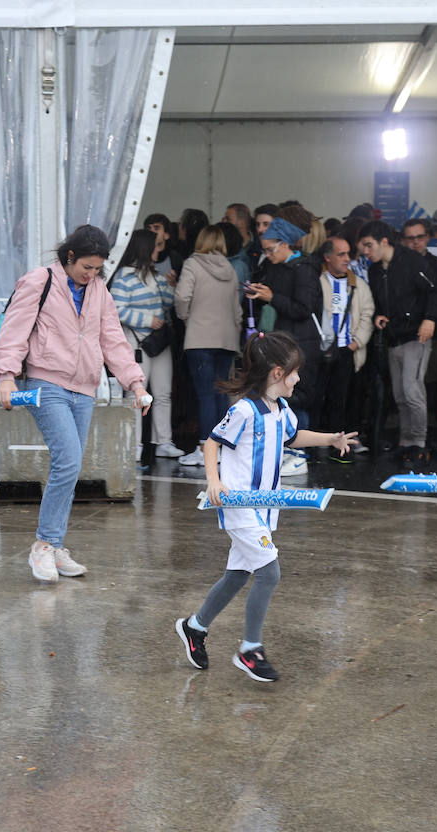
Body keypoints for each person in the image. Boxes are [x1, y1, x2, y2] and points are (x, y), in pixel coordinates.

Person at [174, 331, 358, 682]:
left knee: (239, 575)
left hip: (264, 507)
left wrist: (330, 439)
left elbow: (292, 436)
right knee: (270, 572)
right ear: (277, 373)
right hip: (240, 506)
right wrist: (214, 482)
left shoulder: (281, 408)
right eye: (295, 372)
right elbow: (211, 444)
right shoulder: (244, 410)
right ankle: (250, 650)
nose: (298, 378)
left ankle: (194, 627)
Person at [0, 225, 149, 584]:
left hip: (85, 388)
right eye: (86, 268)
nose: (91, 275)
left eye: (98, 269)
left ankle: (55, 544)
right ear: (70, 256)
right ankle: (44, 546)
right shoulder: (38, 281)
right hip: (46, 382)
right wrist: (6, 375)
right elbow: (13, 329)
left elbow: (113, 339)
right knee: (68, 461)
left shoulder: (99, 292)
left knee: (70, 467)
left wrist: (135, 382)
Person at [360, 221, 437, 463]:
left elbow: (435, 290)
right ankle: (407, 441)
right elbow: (378, 301)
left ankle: (419, 442)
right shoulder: (375, 270)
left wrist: (430, 319)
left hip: (416, 335)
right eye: (363, 247)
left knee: (412, 390)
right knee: (400, 393)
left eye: (369, 245)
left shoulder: (413, 262)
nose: (365, 251)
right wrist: (377, 316)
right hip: (393, 336)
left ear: (384, 242)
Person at [247, 216, 322, 457]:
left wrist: (272, 298)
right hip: (283, 342)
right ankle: (286, 451)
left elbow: (304, 308)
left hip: (301, 343)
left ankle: (298, 453)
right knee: (282, 395)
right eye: (264, 251)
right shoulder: (274, 268)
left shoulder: (305, 269)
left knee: (297, 395)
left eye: (270, 250)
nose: (267, 255)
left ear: (285, 244)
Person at [109, 229, 180, 460]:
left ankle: (164, 442)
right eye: (156, 246)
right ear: (144, 249)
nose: (159, 250)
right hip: (137, 342)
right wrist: (148, 320)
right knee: (135, 394)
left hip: (158, 343)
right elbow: (116, 309)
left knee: (163, 394)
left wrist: (170, 286)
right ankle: (134, 445)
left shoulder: (156, 275)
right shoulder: (123, 277)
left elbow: (167, 303)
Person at [175, 225, 242, 468]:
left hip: (200, 338)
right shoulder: (231, 268)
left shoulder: (192, 264)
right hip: (226, 339)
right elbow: (237, 309)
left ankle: (205, 448)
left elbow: (182, 297)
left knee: (204, 395)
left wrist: (186, 317)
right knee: (221, 394)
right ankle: (221, 447)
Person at [314, 236, 376, 463]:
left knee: (349, 398)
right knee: (321, 398)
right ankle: (321, 441)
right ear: (327, 257)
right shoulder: (317, 282)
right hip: (323, 351)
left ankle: (346, 442)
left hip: (349, 350)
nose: (347, 259)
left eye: (348, 253)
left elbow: (368, 314)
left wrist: (356, 343)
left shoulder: (359, 284)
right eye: (341, 254)